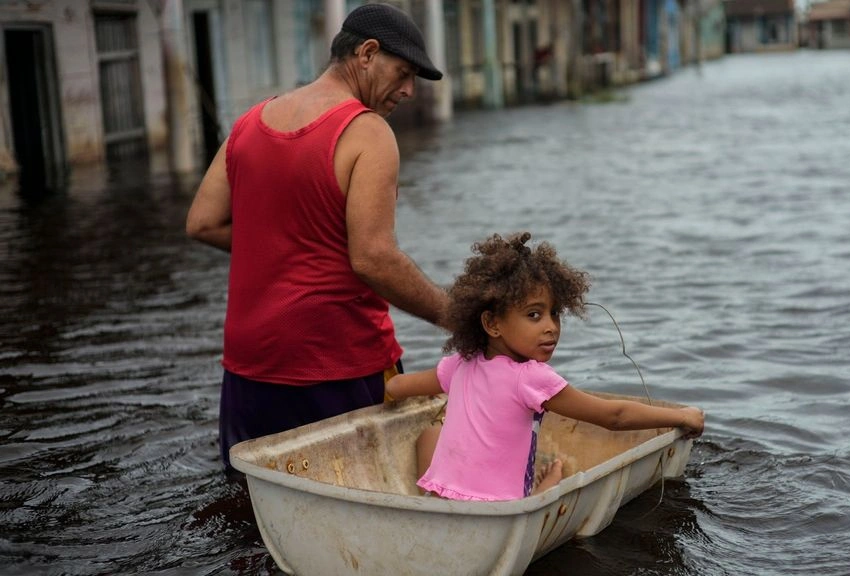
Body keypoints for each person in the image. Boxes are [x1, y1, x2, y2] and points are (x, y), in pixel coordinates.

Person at [185, 3, 448, 470]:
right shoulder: (367, 132)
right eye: (403, 72)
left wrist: (285, 243)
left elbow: (202, 222)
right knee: (364, 496)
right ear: (367, 53)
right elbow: (373, 258)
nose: (409, 90)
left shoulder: (250, 122)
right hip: (336, 362)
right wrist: (457, 317)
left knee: (255, 505)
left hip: (250, 366)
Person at [384, 233, 705, 501]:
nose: (551, 327)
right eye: (534, 315)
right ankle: (551, 481)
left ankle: (427, 499)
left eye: (555, 314)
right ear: (492, 323)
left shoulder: (459, 364)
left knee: (430, 432)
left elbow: (397, 387)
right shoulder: (532, 379)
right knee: (541, 484)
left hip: (442, 503)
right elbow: (614, 416)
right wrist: (681, 416)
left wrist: (394, 393)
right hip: (500, 513)